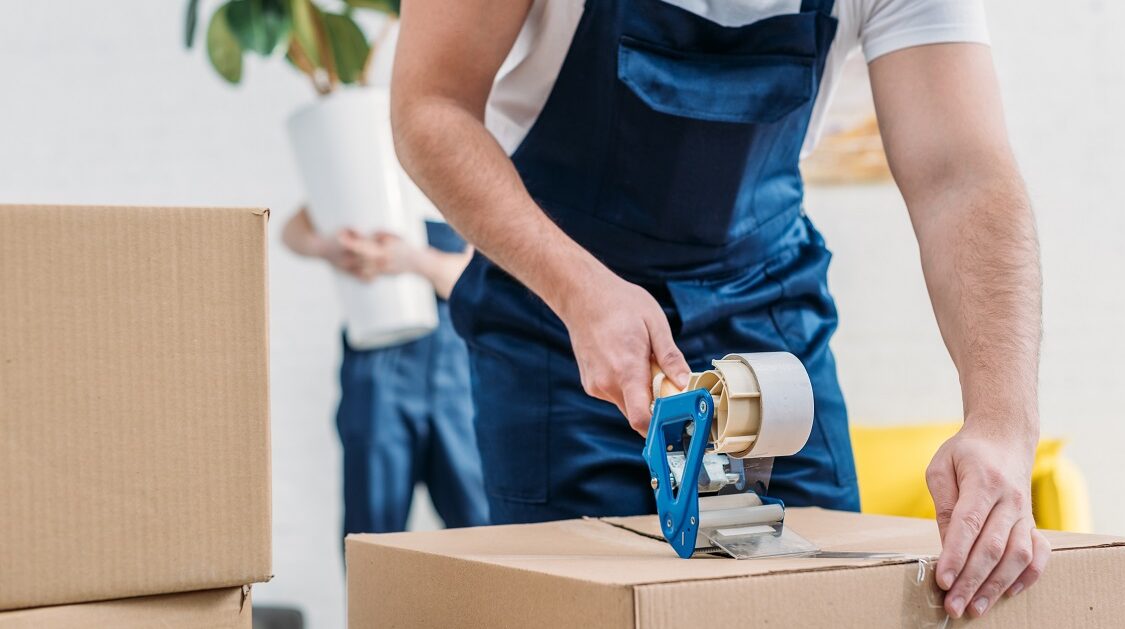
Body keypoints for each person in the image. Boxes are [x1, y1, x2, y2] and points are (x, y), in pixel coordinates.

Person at [391, 0, 1046, 619]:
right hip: (560, 315)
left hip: (768, 314)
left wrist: (1001, 424)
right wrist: (578, 290)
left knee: (823, 603)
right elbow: (430, 107)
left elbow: (962, 177)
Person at [282, 209, 489, 538]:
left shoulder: (463, 177)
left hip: (455, 365)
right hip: (375, 363)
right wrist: (329, 248)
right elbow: (292, 229)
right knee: (372, 528)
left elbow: (481, 281)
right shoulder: (371, 167)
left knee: (479, 524)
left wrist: (412, 261)